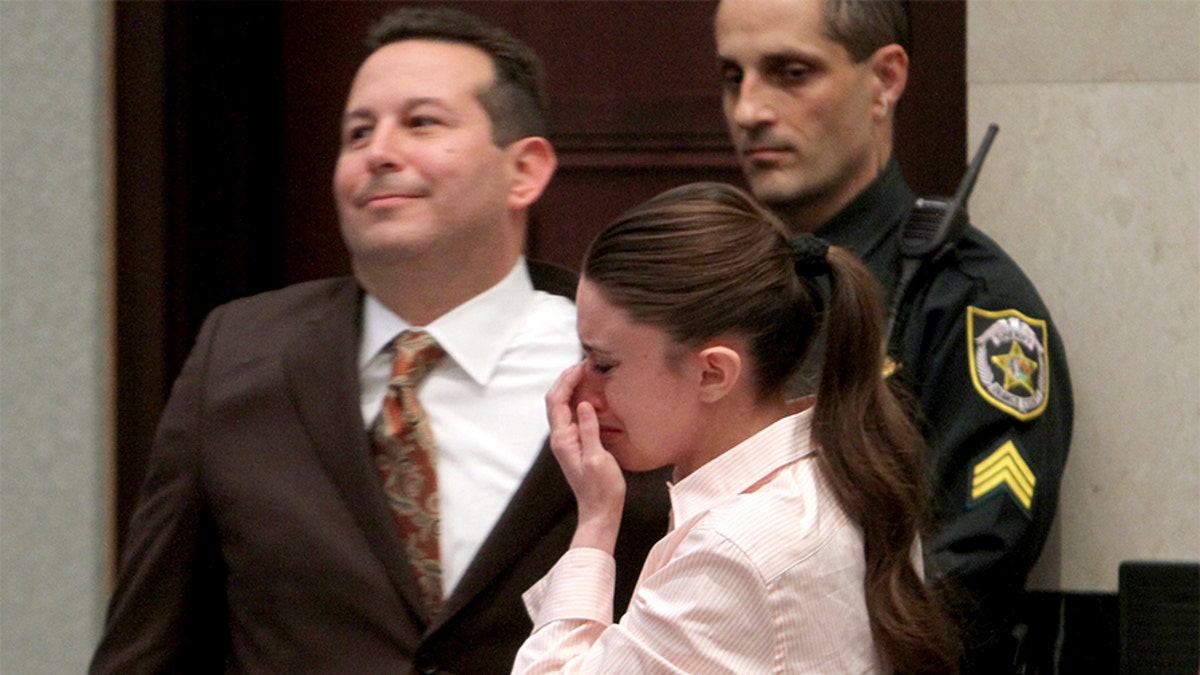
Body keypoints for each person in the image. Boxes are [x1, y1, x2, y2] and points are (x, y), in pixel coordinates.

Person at [90, 7, 669, 673]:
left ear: (525, 171)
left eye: (421, 122)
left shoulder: (626, 353)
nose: (379, 152)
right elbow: (148, 641)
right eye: (357, 132)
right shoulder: (239, 354)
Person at [713, 0, 1074, 670]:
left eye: (791, 73)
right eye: (734, 77)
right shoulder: (715, 291)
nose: (748, 110)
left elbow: (972, 564)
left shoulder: (970, 304)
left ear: (884, 79)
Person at [512, 182, 961, 673]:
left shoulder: (733, 553)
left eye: (603, 363)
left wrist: (596, 521)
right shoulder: (839, 464)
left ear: (713, 374)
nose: (579, 392)